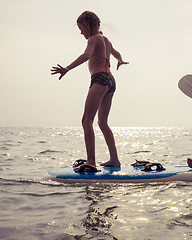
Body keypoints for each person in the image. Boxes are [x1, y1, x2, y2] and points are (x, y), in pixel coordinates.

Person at [51, 11, 129, 172]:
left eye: (81, 28)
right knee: (102, 122)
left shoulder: (93, 39)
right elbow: (117, 54)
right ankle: (114, 159)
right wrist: (120, 61)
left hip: (99, 79)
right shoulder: (106, 40)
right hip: (110, 81)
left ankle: (91, 161)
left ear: (87, 24)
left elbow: (86, 55)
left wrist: (67, 68)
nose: (81, 32)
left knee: (86, 120)